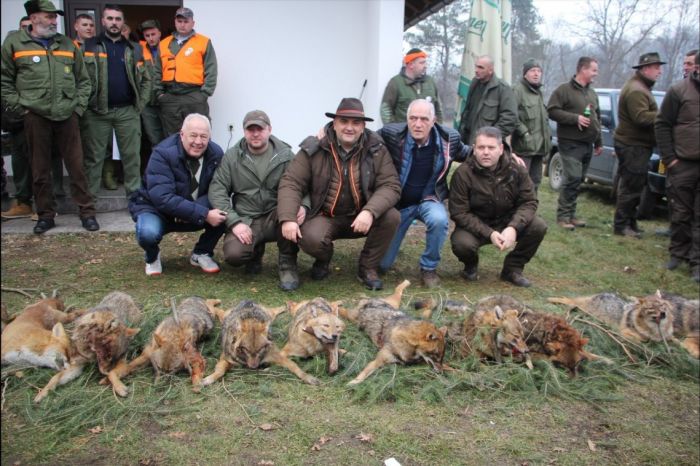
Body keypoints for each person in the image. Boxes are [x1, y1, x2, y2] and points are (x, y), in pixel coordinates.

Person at [277, 97, 401, 290]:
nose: (349, 127)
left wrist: (369, 211)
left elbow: (391, 185)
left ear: (363, 126)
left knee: (391, 216)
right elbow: (291, 182)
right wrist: (287, 218)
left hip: (360, 217)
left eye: (356, 123)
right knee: (311, 239)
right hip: (325, 216)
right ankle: (324, 258)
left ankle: (367, 267)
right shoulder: (314, 147)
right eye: (344, 121)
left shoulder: (377, 149)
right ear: (334, 124)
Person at [1, 0, 98, 234]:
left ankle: (87, 213)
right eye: (49, 16)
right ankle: (45, 215)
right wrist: (20, 107)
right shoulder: (15, 43)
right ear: (34, 18)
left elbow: (84, 81)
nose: (54, 20)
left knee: (77, 166)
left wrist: (77, 108)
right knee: (39, 168)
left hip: (67, 114)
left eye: (55, 16)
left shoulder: (66, 43)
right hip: (35, 115)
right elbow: (5, 81)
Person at [377, 99, 469, 288]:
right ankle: (385, 253)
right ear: (407, 119)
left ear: (434, 120)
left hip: (430, 198)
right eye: (413, 118)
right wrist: (327, 132)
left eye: (424, 119)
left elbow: (473, 153)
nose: (418, 124)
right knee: (382, 266)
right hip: (399, 204)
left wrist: (506, 154)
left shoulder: (449, 139)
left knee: (439, 219)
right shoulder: (392, 134)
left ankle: (429, 268)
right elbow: (362, 138)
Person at [209, 110, 302, 290]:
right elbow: (217, 189)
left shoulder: (286, 155)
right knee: (234, 255)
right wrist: (234, 222)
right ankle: (254, 254)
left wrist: (304, 206)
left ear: (269, 129)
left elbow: (301, 184)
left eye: (260, 129)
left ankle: (288, 263)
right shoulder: (232, 157)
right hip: (246, 218)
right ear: (244, 132)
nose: (255, 133)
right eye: (250, 129)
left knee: (291, 213)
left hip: (276, 214)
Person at [128, 113, 227, 276]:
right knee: (147, 233)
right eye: (193, 135)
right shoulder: (162, 153)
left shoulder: (216, 154)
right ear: (182, 134)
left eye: (204, 136)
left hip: (193, 208)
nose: (198, 141)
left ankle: (201, 252)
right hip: (157, 210)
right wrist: (201, 213)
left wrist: (193, 210)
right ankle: (152, 256)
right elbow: (162, 198)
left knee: (225, 213)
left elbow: (217, 188)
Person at [449, 126, 546, 288]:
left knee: (538, 226)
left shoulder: (517, 169)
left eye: (491, 147)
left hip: (508, 220)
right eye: (481, 147)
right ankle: (470, 266)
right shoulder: (462, 174)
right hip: (477, 224)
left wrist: (513, 227)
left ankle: (513, 269)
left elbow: (529, 201)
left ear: (501, 149)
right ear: (474, 149)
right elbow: (459, 212)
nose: (486, 152)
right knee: (462, 243)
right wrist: (490, 233)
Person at [81, 5, 151, 202]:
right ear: (103, 21)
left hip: (127, 111)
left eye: (118, 19)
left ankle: (135, 199)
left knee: (132, 157)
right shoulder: (89, 46)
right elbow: (79, 79)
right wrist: (84, 105)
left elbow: (147, 79)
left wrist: (140, 104)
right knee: (94, 158)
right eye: (110, 19)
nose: (114, 23)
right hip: (96, 112)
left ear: (123, 22)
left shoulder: (134, 49)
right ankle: (89, 203)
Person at [1, 15, 64, 220]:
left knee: (45, 161)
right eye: (24, 27)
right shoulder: (11, 49)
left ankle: (46, 205)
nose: (26, 31)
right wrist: (18, 108)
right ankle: (23, 201)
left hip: (42, 115)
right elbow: (6, 83)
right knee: (21, 161)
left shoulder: (45, 50)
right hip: (17, 117)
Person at [655, 51, 700, 283]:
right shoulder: (679, 90)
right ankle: (677, 254)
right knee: (680, 212)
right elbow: (662, 124)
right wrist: (670, 158)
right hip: (683, 163)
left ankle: (697, 263)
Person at [613, 52, 665, 238]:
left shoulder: (641, 87)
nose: (659, 71)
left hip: (636, 144)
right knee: (631, 186)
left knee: (635, 184)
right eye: (656, 67)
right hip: (633, 145)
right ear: (645, 68)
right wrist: (665, 115)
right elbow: (641, 117)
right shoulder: (637, 90)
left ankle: (629, 222)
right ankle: (621, 225)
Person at [547, 56, 602, 230]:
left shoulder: (592, 93)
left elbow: (596, 118)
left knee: (579, 180)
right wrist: (574, 118)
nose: (596, 73)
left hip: (587, 144)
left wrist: (599, 141)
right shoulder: (564, 90)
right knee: (572, 177)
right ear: (583, 70)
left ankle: (571, 214)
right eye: (593, 70)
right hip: (570, 143)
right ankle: (563, 217)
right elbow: (552, 111)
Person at [155, 7, 217, 137]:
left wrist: (204, 94)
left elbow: (211, 69)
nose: (182, 25)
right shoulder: (164, 43)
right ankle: (176, 158)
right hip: (170, 96)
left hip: (194, 95)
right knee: (173, 136)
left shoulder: (203, 42)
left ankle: (199, 158)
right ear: (175, 22)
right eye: (180, 21)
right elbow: (156, 71)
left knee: (199, 133)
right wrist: (159, 94)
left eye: (186, 21)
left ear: (192, 23)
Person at [511, 59, 551, 192]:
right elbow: (512, 115)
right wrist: (524, 133)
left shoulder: (538, 92)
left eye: (539, 71)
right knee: (520, 181)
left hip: (539, 147)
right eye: (532, 70)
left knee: (535, 182)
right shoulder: (517, 91)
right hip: (524, 147)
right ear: (525, 74)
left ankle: (530, 210)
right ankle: (516, 211)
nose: (536, 74)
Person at [458, 55, 517, 144]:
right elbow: (467, 113)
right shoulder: (474, 84)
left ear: (490, 70)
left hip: (489, 146)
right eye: (476, 66)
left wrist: (491, 137)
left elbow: (510, 118)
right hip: (469, 143)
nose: (476, 70)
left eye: (481, 68)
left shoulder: (503, 89)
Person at [380, 48, 443, 125]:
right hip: (403, 135)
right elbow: (385, 110)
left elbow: (438, 109)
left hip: (427, 135)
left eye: (425, 63)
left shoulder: (430, 82)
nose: (425, 66)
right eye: (422, 63)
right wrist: (393, 131)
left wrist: (439, 129)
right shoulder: (395, 83)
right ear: (411, 65)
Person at [138, 19, 164, 151]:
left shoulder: (169, 47)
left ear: (159, 33)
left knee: (171, 137)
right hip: (148, 104)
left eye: (153, 34)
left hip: (166, 101)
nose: (151, 38)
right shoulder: (138, 50)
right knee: (154, 139)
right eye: (147, 36)